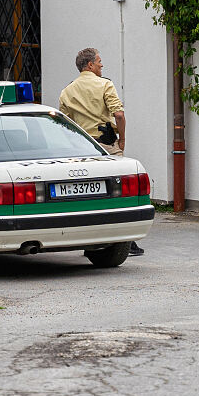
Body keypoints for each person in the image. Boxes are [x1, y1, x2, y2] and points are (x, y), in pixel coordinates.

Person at [59, 47, 142, 256]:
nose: (101, 65)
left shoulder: (67, 91)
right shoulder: (105, 84)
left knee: (87, 194)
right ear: (90, 65)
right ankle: (126, 241)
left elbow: (64, 124)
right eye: (99, 62)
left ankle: (89, 240)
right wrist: (122, 139)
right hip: (105, 145)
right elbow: (120, 115)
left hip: (80, 149)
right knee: (120, 192)